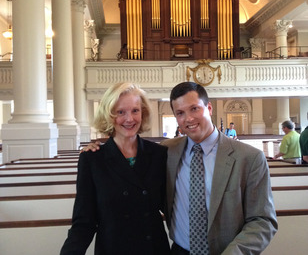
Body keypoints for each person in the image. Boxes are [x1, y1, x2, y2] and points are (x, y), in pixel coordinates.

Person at [85, 82, 278, 254]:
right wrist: (96, 150)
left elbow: (263, 221)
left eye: (194, 108)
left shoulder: (249, 158)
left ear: (209, 108)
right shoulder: (166, 152)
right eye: (180, 113)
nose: (189, 119)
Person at [60, 82, 170, 255]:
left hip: (154, 249)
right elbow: (84, 221)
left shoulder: (158, 154)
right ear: (109, 116)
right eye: (121, 112)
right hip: (113, 249)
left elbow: (171, 207)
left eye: (135, 110)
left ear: (143, 113)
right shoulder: (92, 159)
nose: (129, 119)